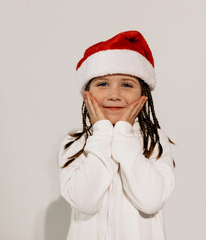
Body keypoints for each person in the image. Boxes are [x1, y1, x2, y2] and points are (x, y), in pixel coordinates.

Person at [57, 30, 176, 240]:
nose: (114, 95)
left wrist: (123, 134)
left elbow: (151, 201)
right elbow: (85, 201)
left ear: (143, 94)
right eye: (102, 84)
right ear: (87, 92)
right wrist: (102, 132)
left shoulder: (155, 140)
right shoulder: (74, 143)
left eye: (127, 85)